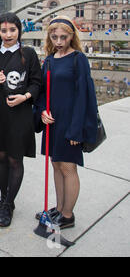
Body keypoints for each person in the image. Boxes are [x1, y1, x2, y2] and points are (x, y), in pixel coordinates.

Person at [34, 16, 98, 229]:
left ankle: (68, 215)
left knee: (68, 167)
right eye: (55, 37)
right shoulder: (50, 59)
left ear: (72, 36)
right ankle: (59, 208)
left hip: (71, 122)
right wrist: (42, 110)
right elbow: (42, 91)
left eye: (64, 37)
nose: (59, 41)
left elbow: (84, 96)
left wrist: (76, 130)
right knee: (56, 164)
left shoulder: (78, 59)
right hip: (52, 121)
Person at [0, 12, 42, 228]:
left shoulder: (29, 53)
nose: (8, 34)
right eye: (4, 30)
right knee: (1, 156)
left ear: (19, 31)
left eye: (12, 30)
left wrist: (25, 97)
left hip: (20, 115)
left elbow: (37, 82)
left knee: (16, 159)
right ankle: (3, 196)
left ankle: (9, 204)